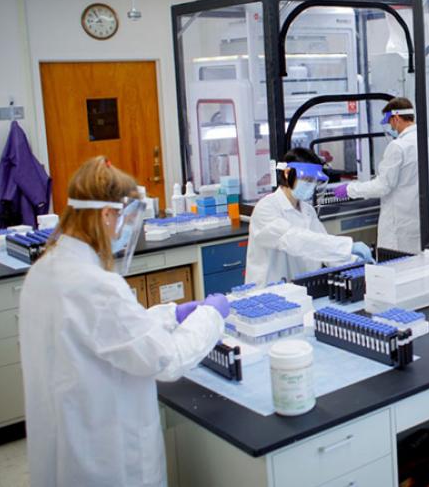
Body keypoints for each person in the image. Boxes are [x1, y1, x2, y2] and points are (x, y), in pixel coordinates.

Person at [19, 156, 229, 487]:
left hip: (66, 446)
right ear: (106, 214)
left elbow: (106, 335)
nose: (127, 229)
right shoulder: (96, 286)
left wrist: (170, 315)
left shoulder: (44, 271)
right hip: (109, 459)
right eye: (126, 218)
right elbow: (166, 359)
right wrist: (211, 315)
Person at [246, 147, 373, 286]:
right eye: (307, 179)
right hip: (268, 294)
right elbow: (294, 239)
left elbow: (322, 246)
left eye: (314, 181)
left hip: (301, 289)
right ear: (288, 173)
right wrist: (348, 247)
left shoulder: (307, 210)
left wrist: (355, 261)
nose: (312, 186)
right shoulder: (266, 208)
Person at [333, 97, 428, 254]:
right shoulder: (427, 142)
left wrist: (350, 189)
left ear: (396, 118)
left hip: (399, 229)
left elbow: (382, 186)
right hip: (419, 225)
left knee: (395, 271)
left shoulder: (398, 146)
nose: (390, 127)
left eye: (389, 122)